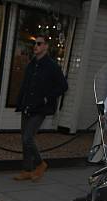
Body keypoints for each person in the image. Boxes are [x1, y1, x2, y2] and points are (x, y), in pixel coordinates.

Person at [14, 34, 68, 182]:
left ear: (46, 47)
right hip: (27, 106)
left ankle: (40, 164)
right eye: (35, 44)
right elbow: (26, 85)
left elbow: (63, 86)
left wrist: (47, 98)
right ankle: (27, 170)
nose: (35, 46)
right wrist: (21, 102)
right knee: (24, 139)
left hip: (40, 108)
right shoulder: (32, 64)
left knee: (28, 138)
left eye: (39, 44)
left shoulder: (52, 66)